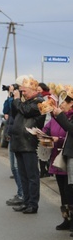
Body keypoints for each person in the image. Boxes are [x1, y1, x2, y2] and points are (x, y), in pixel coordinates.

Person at [9, 76, 45, 215]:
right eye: (21, 91)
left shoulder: (39, 102)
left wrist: (18, 99)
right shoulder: (25, 102)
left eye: (25, 91)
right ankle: (26, 201)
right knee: (23, 175)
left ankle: (33, 204)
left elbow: (26, 111)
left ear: (33, 89)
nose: (22, 93)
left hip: (29, 143)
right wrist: (14, 99)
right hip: (19, 142)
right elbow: (14, 112)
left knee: (32, 175)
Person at [41, 93, 73, 231]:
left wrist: (60, 116)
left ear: (71, 103)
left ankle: (72, 221)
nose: (61, 105)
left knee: (69, 190)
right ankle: (66, 219)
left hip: (68, 155)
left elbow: (69, 130)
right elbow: (50, 127)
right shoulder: (60, 116)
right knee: (63, 191)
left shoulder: (68, 117)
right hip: (60, 155)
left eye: (63, 103)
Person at [2, 84, 24, 206]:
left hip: (17, 135)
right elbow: (5, 110)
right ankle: (20, 192)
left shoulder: (19, 101)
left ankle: (22, 194)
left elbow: (14, 111)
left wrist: (13, 98)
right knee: (13, 167)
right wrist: (9, 96)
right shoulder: (12, 99)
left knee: (16, 167)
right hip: (11, 133)